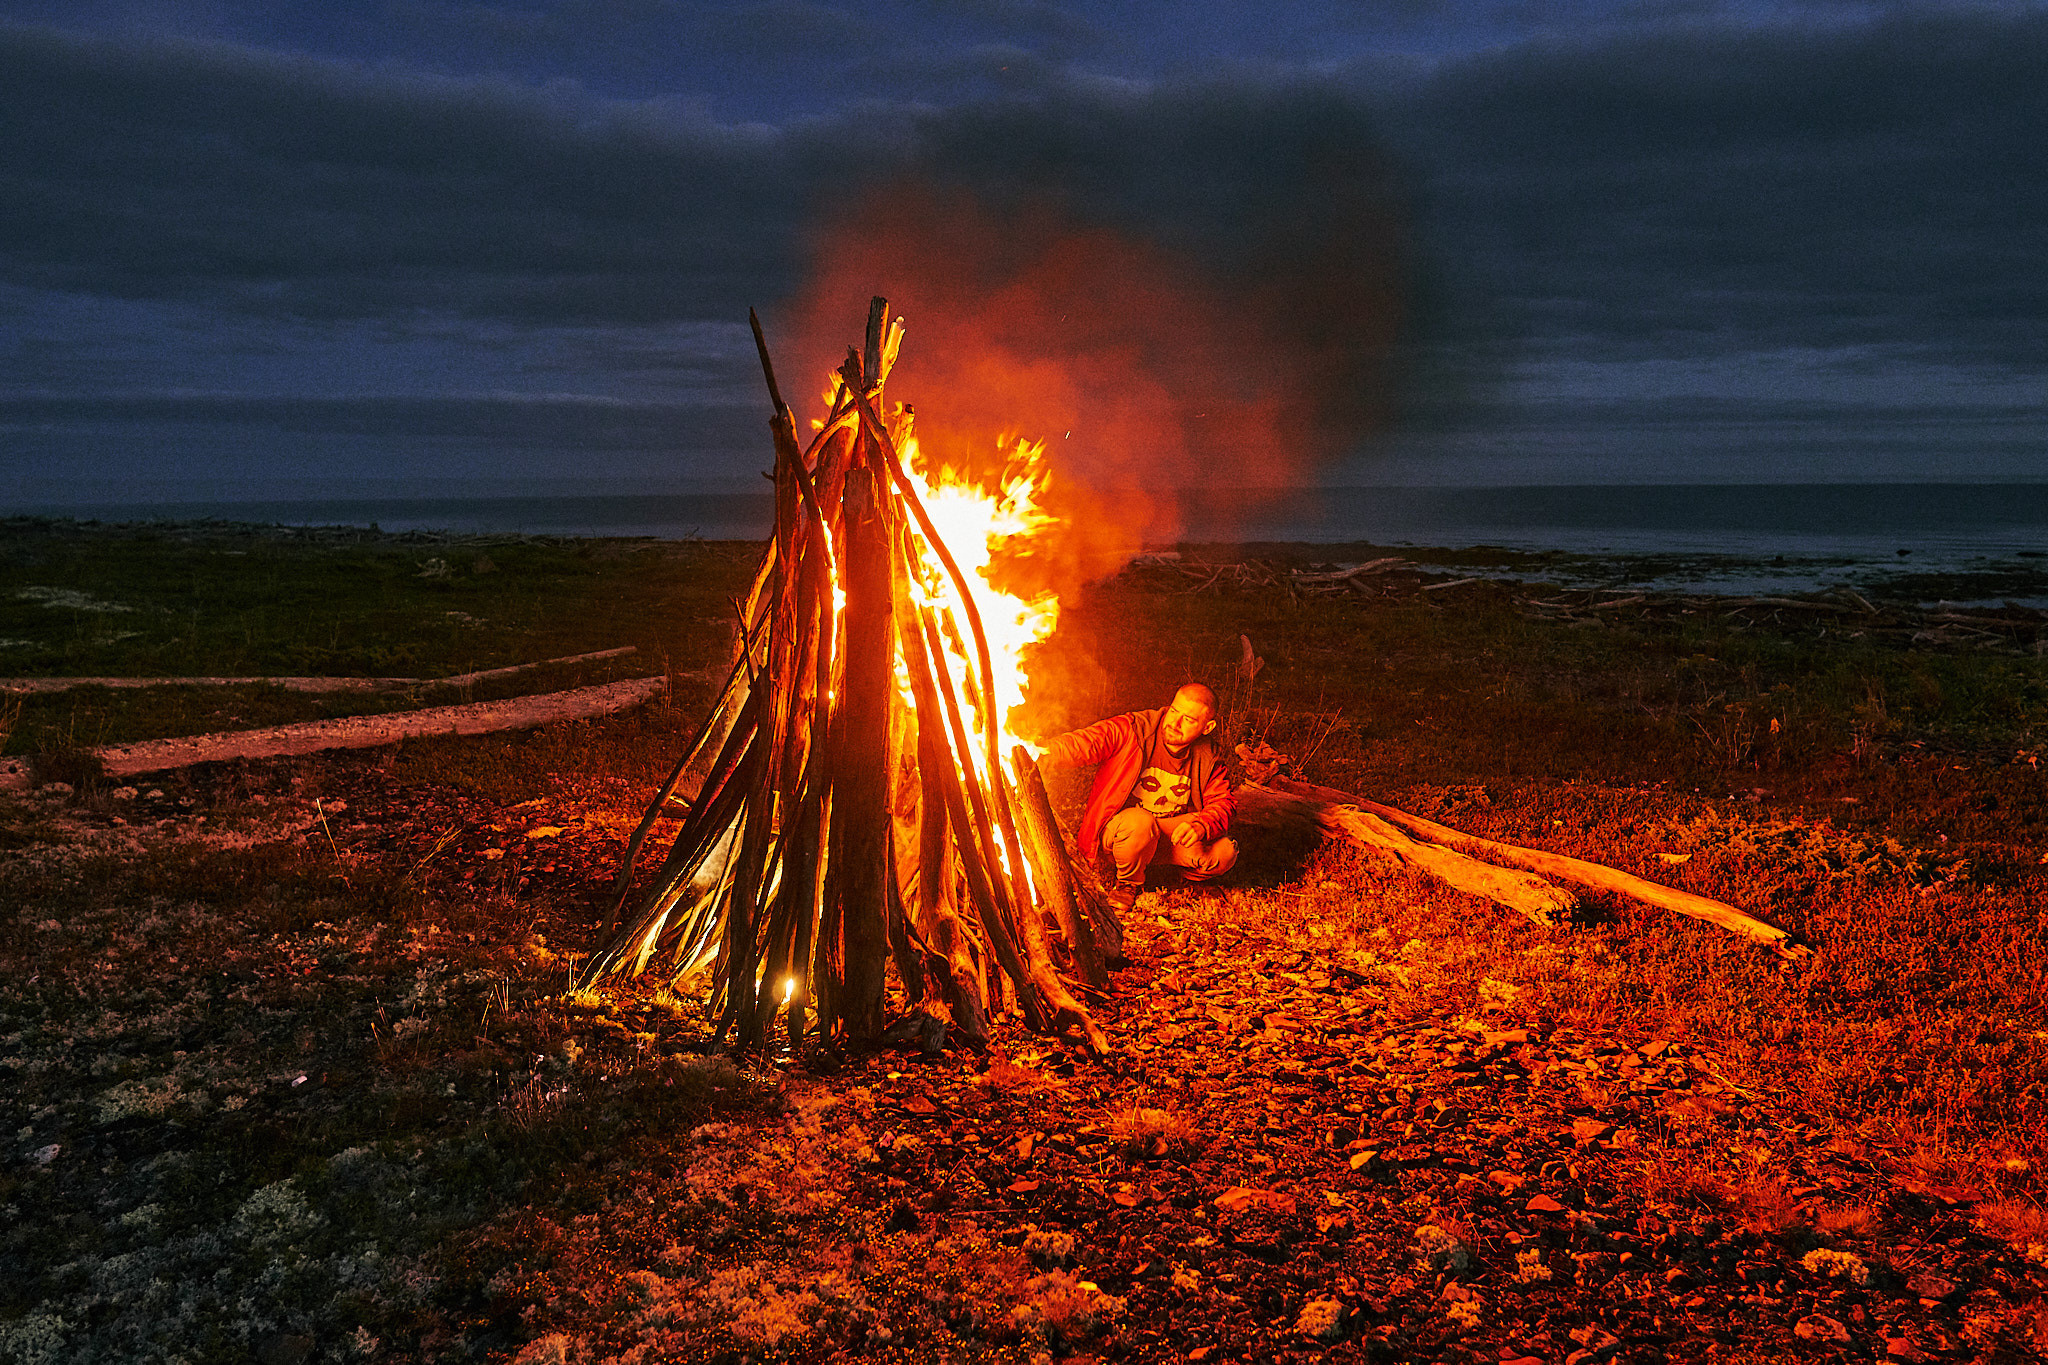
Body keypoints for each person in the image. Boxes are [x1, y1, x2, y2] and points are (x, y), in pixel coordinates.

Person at [1039, 682, 1238, 916]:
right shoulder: (1134, 729)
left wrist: (1201, 824)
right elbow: (1086, 742)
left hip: (1165, 834)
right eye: (1174, 711)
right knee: (1140, 823)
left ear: (1207, 727)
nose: (1174, 723)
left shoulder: (1208, 756)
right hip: (1123, 832)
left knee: (1225, 852)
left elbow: (1223, 802)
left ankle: (1173, 875)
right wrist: (1040, 752)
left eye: (1189, 719)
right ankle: (1127, 883)